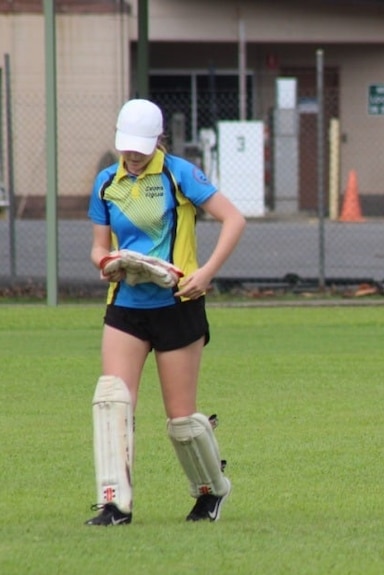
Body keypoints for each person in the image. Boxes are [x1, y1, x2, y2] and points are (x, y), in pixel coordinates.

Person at [85, 99, 246, 525]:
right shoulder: (107, 182)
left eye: (140, 146)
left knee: (182, 422)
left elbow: (234, 219)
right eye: (126, 146)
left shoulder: (180, 174)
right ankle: (114, 504)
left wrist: (207, 273)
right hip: (125, 306)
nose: (132, 155)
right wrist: (105, 262)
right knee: (112, 402)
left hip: (178, 307)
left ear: (158, 140)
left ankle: (212, 491)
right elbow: (99, 245)